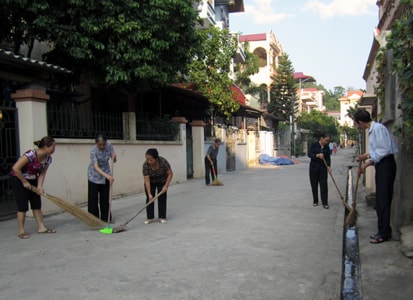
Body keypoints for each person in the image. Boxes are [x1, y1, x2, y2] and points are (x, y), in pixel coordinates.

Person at [354, 110, 398, 244]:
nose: (358, 127)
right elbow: (377, 154)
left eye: (357, 124)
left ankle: (383, 233)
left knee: (383, 200)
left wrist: (366, 157)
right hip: (382, 164)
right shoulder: (374, 130)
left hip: (386, 165)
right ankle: (384, 230)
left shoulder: (377, 129)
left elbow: (383, 151)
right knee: (381, 199)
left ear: (360, 122)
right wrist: (364, 167)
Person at [10, 136, 57, 239]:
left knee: (36, 204)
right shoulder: (31, 155)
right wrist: (24, 181)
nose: (54, 149)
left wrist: (39, 186)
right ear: (45, 147)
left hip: (33, 179)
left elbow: (42, 174)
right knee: (23, 206)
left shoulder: (48, 158)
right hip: (18, 179)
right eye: (53, 147)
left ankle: (41, 228)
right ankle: (21, 231)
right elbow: (16, 168)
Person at [88, 133, 117, 221]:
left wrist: (114, 157)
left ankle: (106, 218)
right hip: (94, 176)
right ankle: (94, 219)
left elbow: (114, 159)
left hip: (106, 173)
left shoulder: (109, 146)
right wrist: (107, 176)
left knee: (105, 197)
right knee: (93, 198)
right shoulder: (93, 150)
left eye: (103, 144)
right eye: (99, 144)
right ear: (96, 143)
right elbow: (96, 167)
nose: (102, 146)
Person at [143, 148, 173, 224]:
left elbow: (170, 174)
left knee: (162, 197)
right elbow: (147, 180)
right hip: (151, 182)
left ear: (156, 158)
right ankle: (150, 217)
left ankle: (161, 217)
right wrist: (149, 194)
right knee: (150, 199)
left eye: (151, 160)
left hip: (162, 180)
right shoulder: (146, 165)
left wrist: (166, 185)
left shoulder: (163, 162)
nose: (149, 162)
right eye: (147, 160)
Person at [308, 132, 331, 209]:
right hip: (314, 168)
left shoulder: (327, 147)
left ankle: (325, 202)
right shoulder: (313, 145)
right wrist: (317, 155)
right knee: (314, 184)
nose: (326, 142)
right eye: (326, 140)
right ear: (321, 138)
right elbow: (309, 154)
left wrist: (329, 166)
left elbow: (328, 158)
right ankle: (315, 200)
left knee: (324, 185)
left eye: (327, 141)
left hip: (323, 168)